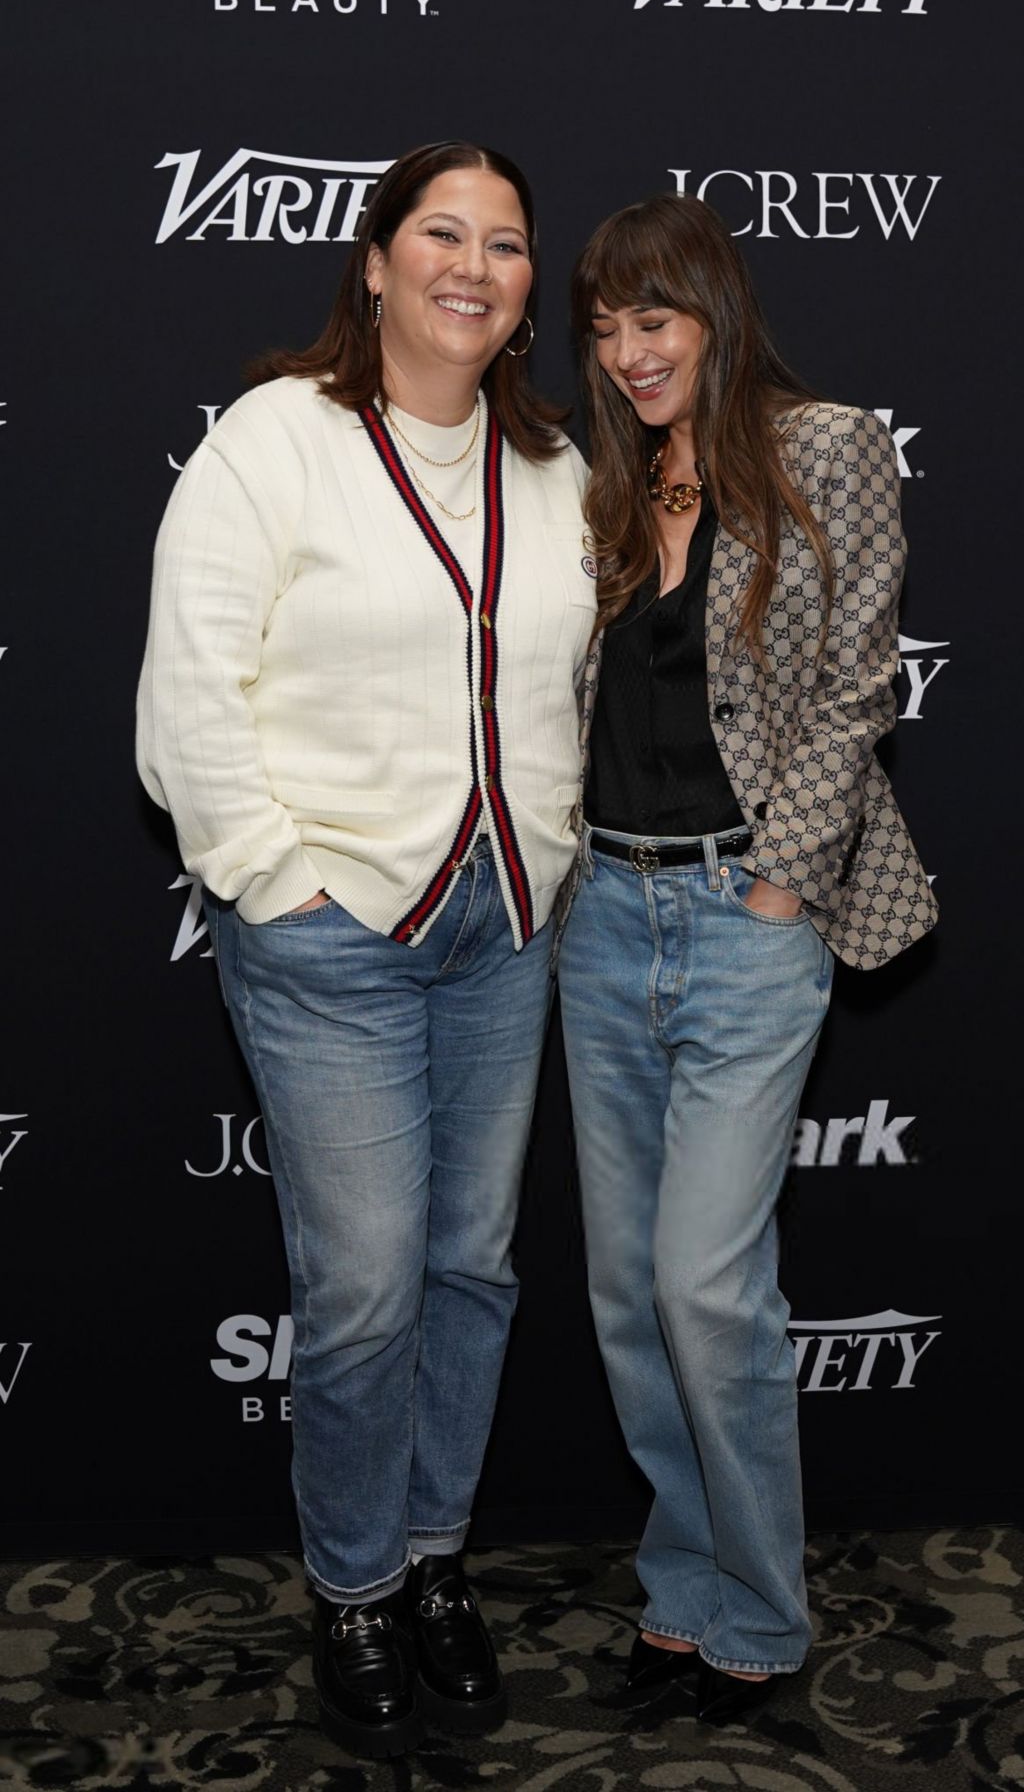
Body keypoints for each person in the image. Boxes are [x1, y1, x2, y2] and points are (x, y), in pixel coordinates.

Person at [137, 140, 595, 1760]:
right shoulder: (277, 443)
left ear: (533, 287)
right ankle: (348, 1584)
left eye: (511, 243)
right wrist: (275, 883)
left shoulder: (556, 468)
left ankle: (430, 1561)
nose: (476, 265)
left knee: (473, 1266)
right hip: (333, 929)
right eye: (443, 235)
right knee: (361, 1286)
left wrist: (549, 860)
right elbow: (187, 696)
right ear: (378, 262)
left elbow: (580, 696)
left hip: (505, 927)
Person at [556, 194, 937, 1726]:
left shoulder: (826, 443)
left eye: (654, 318)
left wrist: (782, 881)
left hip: (742, 915)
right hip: (604, 916)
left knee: (707, 1286)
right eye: (603, 325)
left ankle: (764, 1616)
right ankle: (684, 1589)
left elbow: (859, 683)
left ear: (713, 309)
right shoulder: (611, 477)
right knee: (631, 1300)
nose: (628, 350)